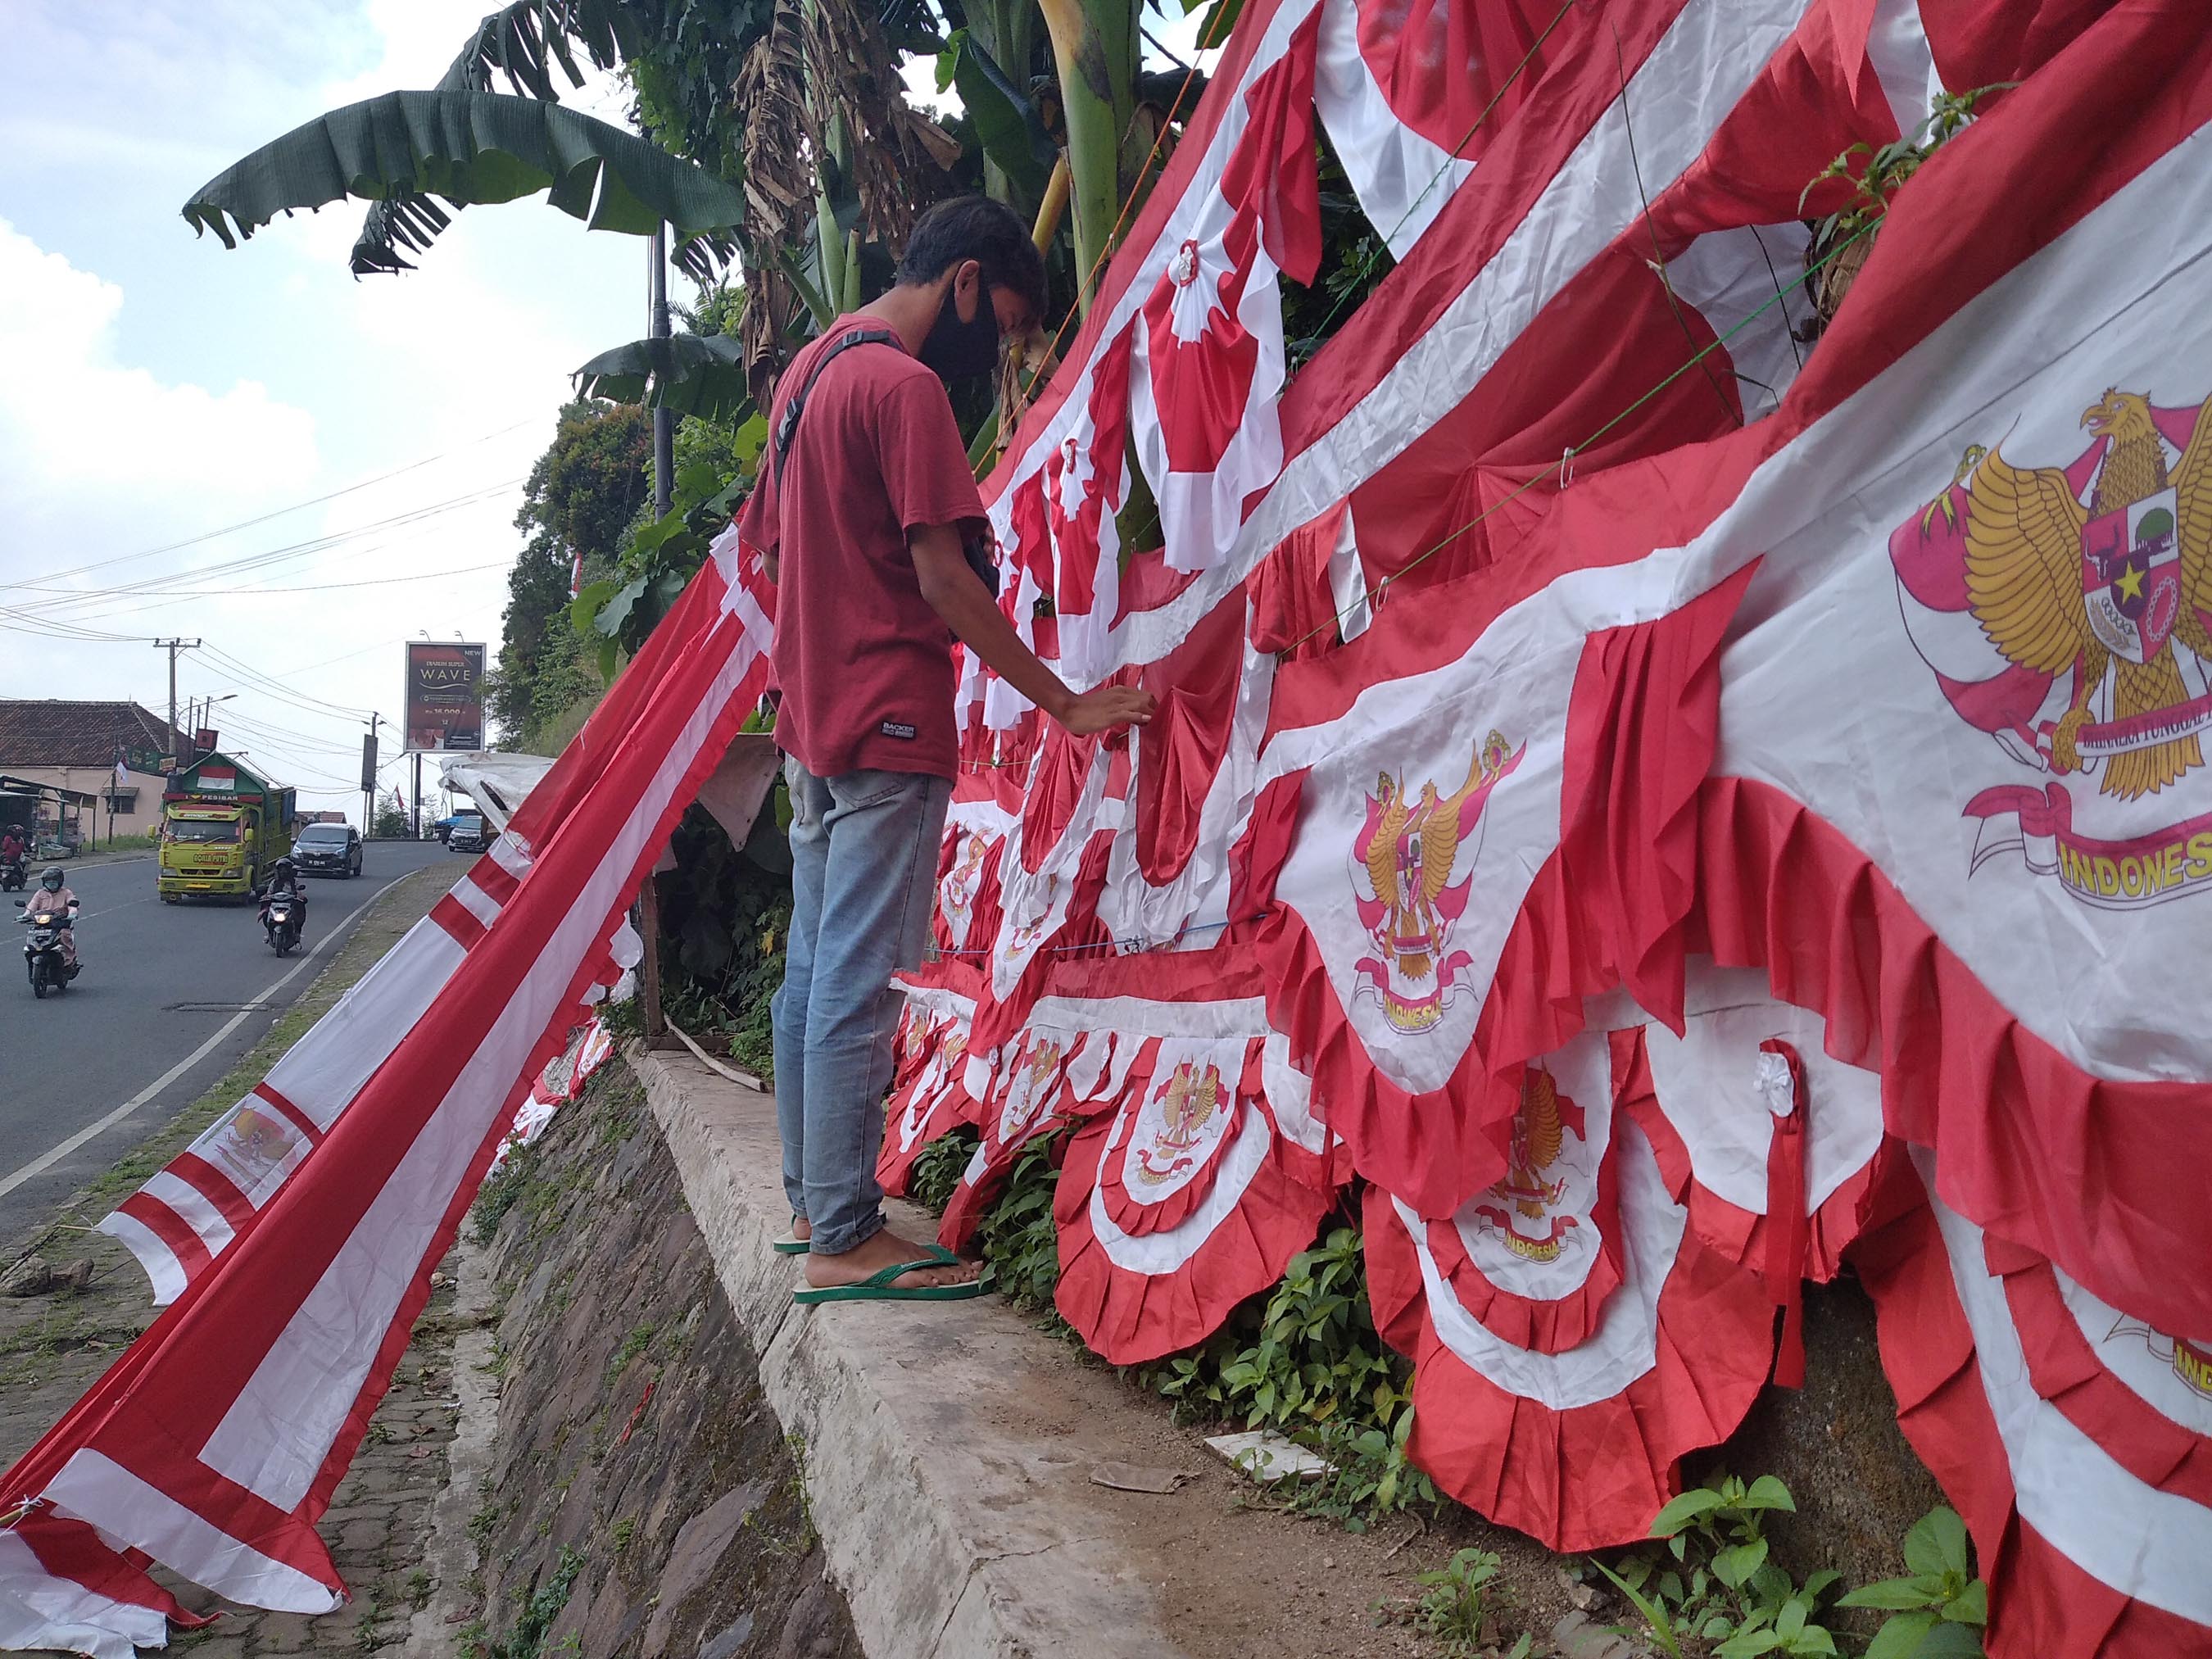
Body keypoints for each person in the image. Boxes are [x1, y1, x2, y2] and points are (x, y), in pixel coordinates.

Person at [737, 196, 1157, 1301]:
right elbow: (945, 579)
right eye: (1003, 325)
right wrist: (1065, 702)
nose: (998, 354)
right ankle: (843, 1235)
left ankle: (811, 1200)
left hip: (811, 725)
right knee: (860, 981)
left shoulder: (806, 376)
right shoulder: (904, 387)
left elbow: (772, 554)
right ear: (965, 281)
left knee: (812, 970)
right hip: (887, 718)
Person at [26, 867, 79, 972]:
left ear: (60, 881)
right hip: (42, 923)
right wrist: (25, 915)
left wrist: (72, 914)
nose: (51, 884)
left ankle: (68, 961)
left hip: (60, 923)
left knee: (65, 937)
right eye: (48, 882)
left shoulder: (66, 892)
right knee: (32, 936)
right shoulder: (40, 893)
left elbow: (72, 905)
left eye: (54, 882)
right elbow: (32, 906)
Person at [254, 855, 307, 939]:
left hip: (290, 904)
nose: (283, 872)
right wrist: (265, 897)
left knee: (300, 908)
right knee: (265, 908)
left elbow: (298, 892)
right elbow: (269, 893)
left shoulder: (294, 882)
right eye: (281, 869)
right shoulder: (274, 883)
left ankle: (297, 932)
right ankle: (270, 932)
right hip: (276, 904)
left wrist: (300, 896)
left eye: (285, 869)